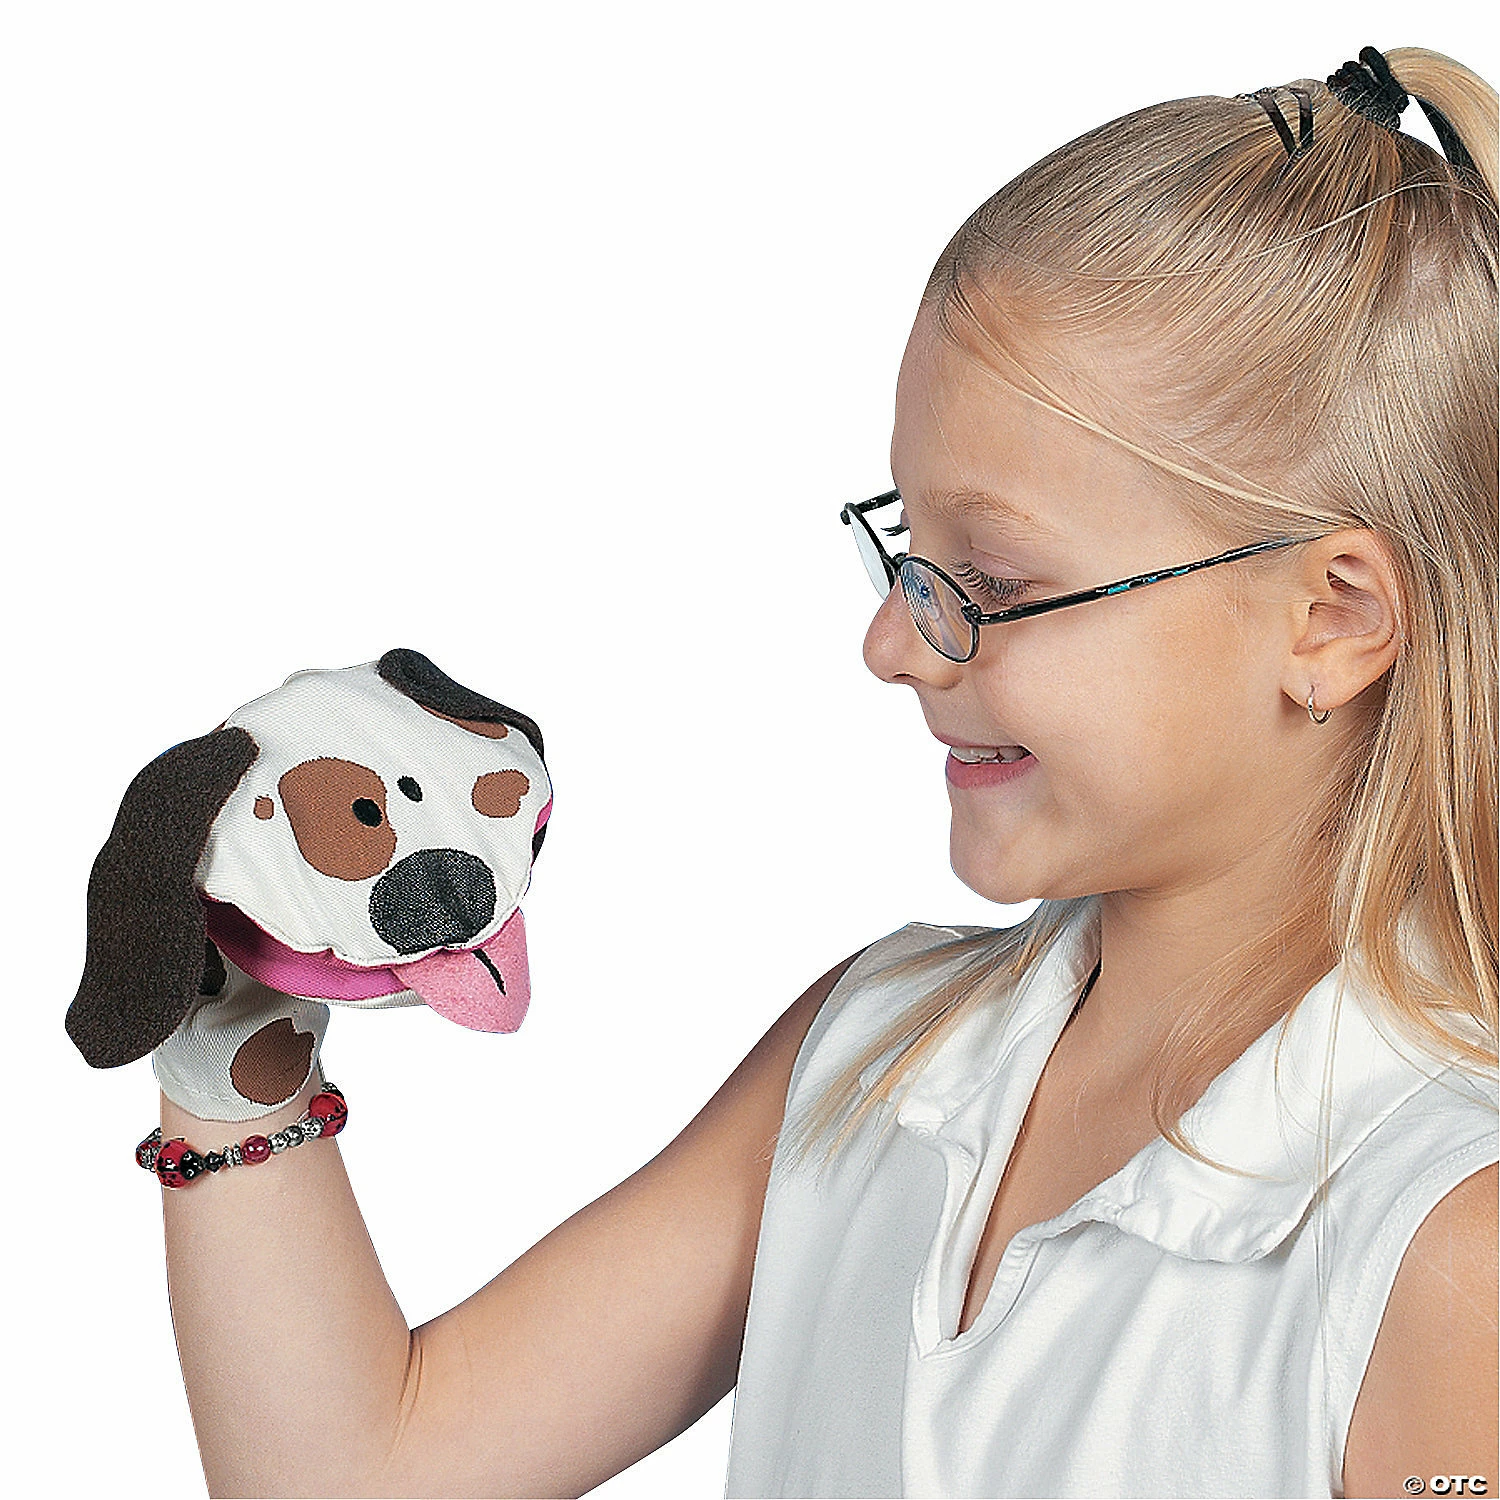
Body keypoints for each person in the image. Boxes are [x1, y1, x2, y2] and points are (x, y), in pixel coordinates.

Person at [142, 44, 1495, 1498]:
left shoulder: (1445, 1240)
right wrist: (230, 1033)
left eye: (993, 579)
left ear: (1334, 617)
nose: (893, 645)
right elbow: (361, 1475)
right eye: (906, 551)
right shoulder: (871, 1056)